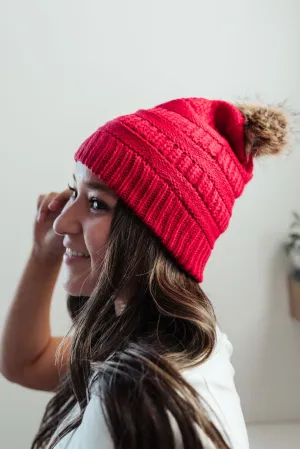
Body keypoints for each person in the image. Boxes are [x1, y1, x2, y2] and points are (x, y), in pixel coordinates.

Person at [0, 97, 289, 449]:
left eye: (96, 203)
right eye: (75, 191)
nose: (61, 221)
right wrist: (42, 253)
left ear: (154, 235)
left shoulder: (141, 395)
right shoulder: (154, 341)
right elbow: (25, 363)